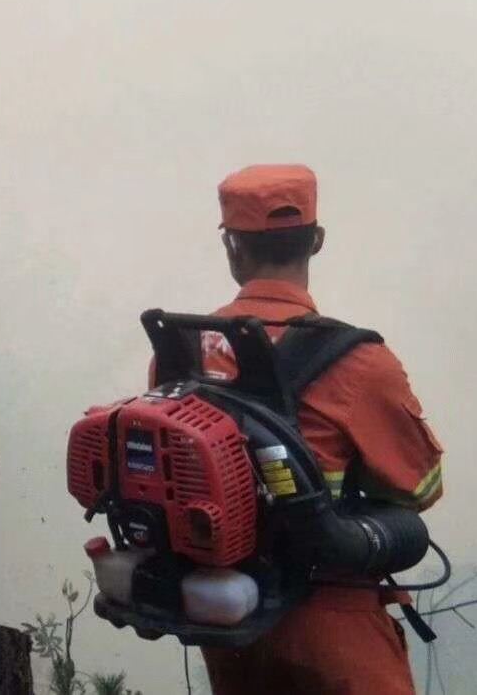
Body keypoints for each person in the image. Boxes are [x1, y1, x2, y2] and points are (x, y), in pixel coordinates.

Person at [182, 164, 445, 695]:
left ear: (232, 247)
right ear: (317, 241)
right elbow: (421, 488)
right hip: (334, 619)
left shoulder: (185, 352)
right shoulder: (360, 363)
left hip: (231, 625)